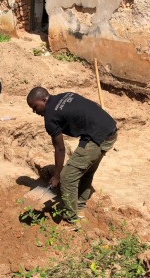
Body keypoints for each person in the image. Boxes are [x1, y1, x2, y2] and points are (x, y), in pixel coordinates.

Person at [27, 87, 117, 226]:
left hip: (96, 137)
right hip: (110, 129)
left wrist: (57, 176)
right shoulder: (66, 95)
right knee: (86, 171)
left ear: (44, 99)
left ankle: (71, 218)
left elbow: (60, 148)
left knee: (67, 177)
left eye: (35, 107)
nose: (35, 111)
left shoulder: (50, 117)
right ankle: (79, 205)